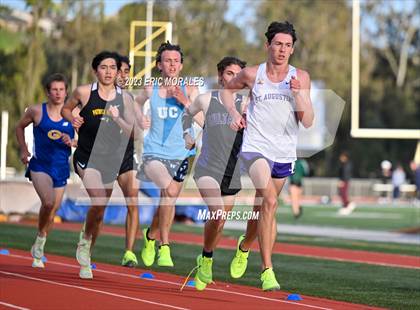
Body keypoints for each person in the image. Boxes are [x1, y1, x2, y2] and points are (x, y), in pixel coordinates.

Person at [222, 21, 314, 291]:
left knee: (260, 209)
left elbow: (307, 121)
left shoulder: (301, 77)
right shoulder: (253, 74)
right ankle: (267, 271)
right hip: (255, 148)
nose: (282, 50)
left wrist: (300, 96)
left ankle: (244, 246)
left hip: (284, 152)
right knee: (270, 203)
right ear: (268, 45)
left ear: (292, 49)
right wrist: (234, 114)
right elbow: (227, 90)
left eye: (288, 45)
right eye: (278, 44)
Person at [62, 51, 135, 279]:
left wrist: (117, 118)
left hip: (110, 160)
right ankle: (84, 243)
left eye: (112, 68)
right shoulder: (84, 92)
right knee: (98, 200)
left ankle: (87, 249)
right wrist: (72, 118)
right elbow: (66, 108)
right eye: (103, 67)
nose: (108, 72)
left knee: (100, 211)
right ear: (96, 70)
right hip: (86, 156)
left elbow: (131, 131)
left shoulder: (125, 99)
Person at [183, 56, 247, 290]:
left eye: (238, 74)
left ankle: (205, 257)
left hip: (232, 171)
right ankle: (207, 260)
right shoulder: (207, 99)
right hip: (208, 168)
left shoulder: (246, 103)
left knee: (219, 223)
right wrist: (187, 136)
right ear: (220, 76)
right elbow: (186, 114)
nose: (234, 78)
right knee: (217, 213)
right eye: (229, 73)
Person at [135, 41, 201, 268]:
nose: (172, 65)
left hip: (183, 152)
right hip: (154, 151)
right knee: (168, 191)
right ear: (158, 65)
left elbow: (201, 119)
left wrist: (184, 101)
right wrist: (139, 118)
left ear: (181, 65)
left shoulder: (190, 89)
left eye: (176, 61)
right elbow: (135, 104)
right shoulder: (149, 88)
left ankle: (150, 236)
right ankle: (165, 246)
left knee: (169, 199)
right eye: (167, 61)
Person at [15, 73, 75, 268]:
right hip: (40, 165)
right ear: (48, 93)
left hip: (61, 168)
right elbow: (19, 127)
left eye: (61, 90)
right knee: (48, 202)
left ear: (66, 92)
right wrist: (24, 149)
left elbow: (84, 141)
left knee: (52, 211)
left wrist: (73, 141)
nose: (58, 93)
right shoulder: (36, 111)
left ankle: (40, 241)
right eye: (54, 90)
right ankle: (40, 240)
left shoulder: (74, 116)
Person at [116, 55, 142, 267]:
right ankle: (86, 241)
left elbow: (135, 133)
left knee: (133, 201)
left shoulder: (130, 99)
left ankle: (129, 252)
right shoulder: (94, 96)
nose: (124, 76)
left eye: (127, 72)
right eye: (120, 71)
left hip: (125, 156)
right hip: (100, 157)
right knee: (97, 205)